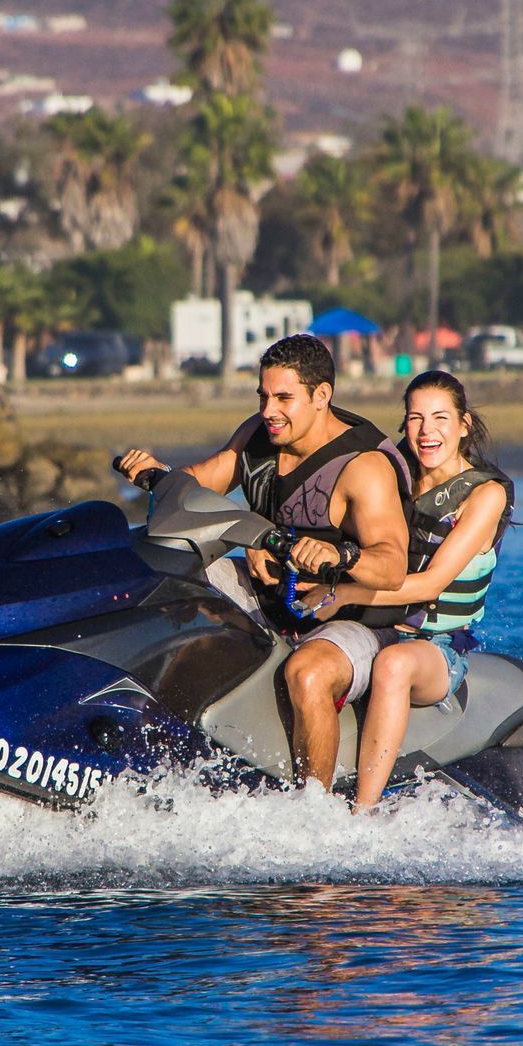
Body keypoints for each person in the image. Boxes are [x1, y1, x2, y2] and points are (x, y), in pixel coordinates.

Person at [115, 334, 409, 787]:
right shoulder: (258, 436)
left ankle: (313, 808)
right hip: (270, 598)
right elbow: (202, 484)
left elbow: (392, 566)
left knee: (307, 674)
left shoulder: (363, 467)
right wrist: (159, 476)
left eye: (284, 398)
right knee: (162, 578)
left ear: (321, 396)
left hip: (352, 618)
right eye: (264, 395)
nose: (269, 409)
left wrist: (339, 554)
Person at [298, 370, 512, 810]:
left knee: (394, 665)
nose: (426, 431)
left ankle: (363, 812)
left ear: (463, 424)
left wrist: (346, 595)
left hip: (433, 647)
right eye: (415, 418)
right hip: (370, 626)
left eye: (439, 418)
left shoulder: (484, 495)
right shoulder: (392, 473)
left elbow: (432, 583)